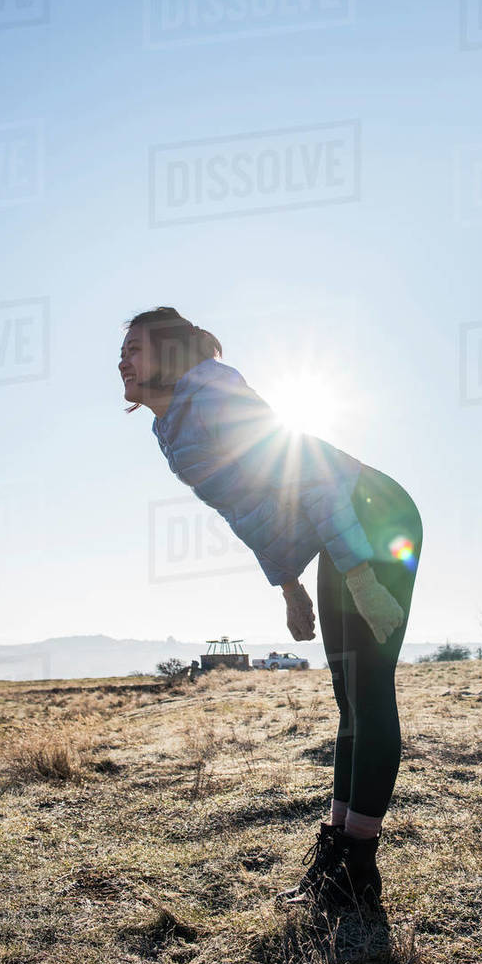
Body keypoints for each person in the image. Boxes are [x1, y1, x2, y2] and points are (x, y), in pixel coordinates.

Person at [119, 307, 422, 909]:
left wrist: (360, 572)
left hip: (370, 513)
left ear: (171, 355)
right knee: (348, 697)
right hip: (344, 520)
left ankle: (357, 872)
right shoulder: (172, 426)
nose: (121, 361)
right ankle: (338, 851)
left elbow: (305, 468)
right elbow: (249, 510)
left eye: (134, 348)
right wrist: (290, 585)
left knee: (367, 691)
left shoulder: (210, 394)